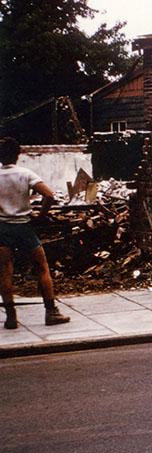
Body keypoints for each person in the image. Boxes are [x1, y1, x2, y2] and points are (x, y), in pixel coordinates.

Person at [0, 137, 71, 329]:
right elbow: (49, 194)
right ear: (18, 154)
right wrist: (41, 215)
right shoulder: (25, 173)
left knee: (5, 271)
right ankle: (51, 312)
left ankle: (11, 317)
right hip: (24, 227)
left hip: (3, 228)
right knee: (42, 268)